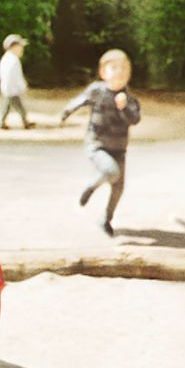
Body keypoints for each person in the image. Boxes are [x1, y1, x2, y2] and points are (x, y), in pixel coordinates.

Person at [60, 49, 141, 233]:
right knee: (111, 171)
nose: (119, 72)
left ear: (129, 75)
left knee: (118, 187)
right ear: (103, 72)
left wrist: (124, 107)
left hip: (119, 148)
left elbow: (135, 119)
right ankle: (91, 186)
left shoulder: (129, 99)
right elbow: (80, 100)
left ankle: (106, 219)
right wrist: (66, 112)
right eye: (114, 68)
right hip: (97, 144)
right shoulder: (97, 91)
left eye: (124, 69)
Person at [0, 34, 32, 130]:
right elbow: (16, 76)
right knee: (20, 108)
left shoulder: (5, 58)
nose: (22, 49)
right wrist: (22, 86)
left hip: (7, 88)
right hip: (12, 89)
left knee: (7, 107)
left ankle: (2, 122)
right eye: (20, 47)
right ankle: (26, 122)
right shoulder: (13, 60)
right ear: (14, 47)